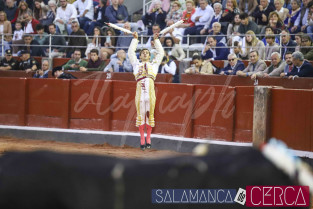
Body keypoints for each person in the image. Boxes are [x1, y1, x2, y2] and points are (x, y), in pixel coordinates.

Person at [128, 31, 164, 151]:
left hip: (150, 94)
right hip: (140, 94)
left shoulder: (154, 65)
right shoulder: (136, 64)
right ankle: (142, 139)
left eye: (147, 53)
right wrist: (135, 39)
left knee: (150, 115)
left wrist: (156, 40)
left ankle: (148, 138)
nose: (145, 54)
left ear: (149, 56)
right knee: (140, 115)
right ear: (140, 56)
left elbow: (161, 53)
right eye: (143, 53)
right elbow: (130, 53)